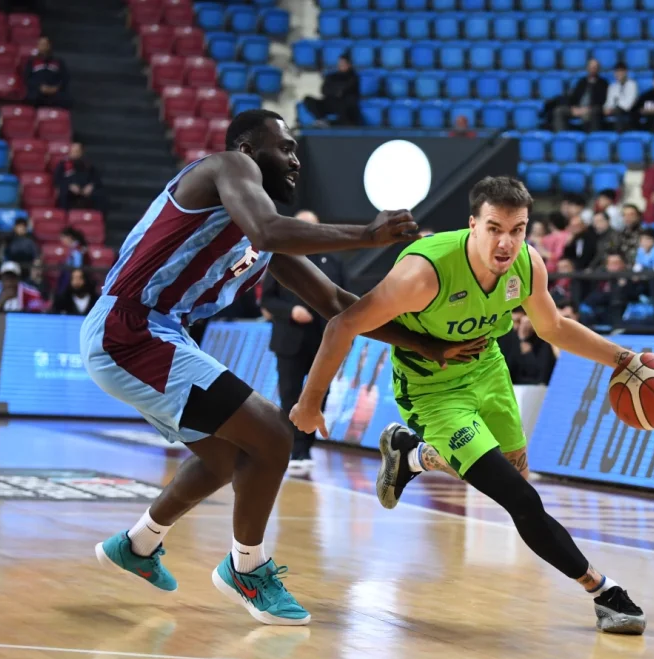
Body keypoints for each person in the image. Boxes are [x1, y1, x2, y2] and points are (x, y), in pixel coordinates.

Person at [79, 110, 482, 626]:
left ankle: (138, 544)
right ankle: (246, 568)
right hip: (130, 330)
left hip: (155, 333)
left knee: (227, 459)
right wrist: (367, 234)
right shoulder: (228, 168)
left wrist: (426, 345)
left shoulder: (261, 238)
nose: (295, 161)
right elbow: (268, 230)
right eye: (285, 148)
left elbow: (336, 301)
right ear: (249, 150)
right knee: (273, 433)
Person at [288, 176, 647, 635]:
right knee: (519, 497)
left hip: (487, 369)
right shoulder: (424, 273)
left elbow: (553, 328)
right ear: (473, 225)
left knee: (514, 475)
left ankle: (413, 456)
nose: (506, 243)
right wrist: (309, 402)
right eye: (495, 228)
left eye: (517, 230)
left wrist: (624, 359)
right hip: (433, 391)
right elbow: (343, 324)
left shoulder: (527, 264)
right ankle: (603, 591)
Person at [259, 209, 345, 478]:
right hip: (289, 339)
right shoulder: (281, 259)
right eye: (303, 226)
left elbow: (346, 301)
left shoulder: (333, 261)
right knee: (290, 393)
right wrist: (291, 311)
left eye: (313, 226)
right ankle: (294, 447)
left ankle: (307, 445)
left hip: (325, 342)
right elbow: (267, 300)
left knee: (320, 393)